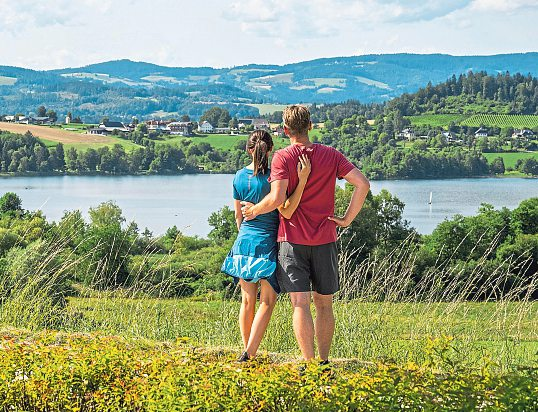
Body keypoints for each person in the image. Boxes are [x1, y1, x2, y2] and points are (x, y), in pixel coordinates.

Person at [241, 105, 370, 364]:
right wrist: (345, 220)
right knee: (324, 304)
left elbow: (278, 199)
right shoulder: (331, 155)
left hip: (292, 240)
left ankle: (308, 362)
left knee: (300, 304)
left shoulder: (282, 158)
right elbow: (363, 184)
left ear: (286, 130)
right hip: (325, 240)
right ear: (310, 126)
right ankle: (323, 362)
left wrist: (254, 210)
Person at [221, 129, 311, 362]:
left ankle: (246, 351)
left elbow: (238, 217)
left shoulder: (239, 177)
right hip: (267, 243)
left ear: (248, 150)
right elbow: (286, 207)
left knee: (247, 301)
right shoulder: (275, 178)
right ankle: (248, 354)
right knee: (267, 301)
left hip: (243, 242)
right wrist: (301, 180)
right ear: (270, 149)